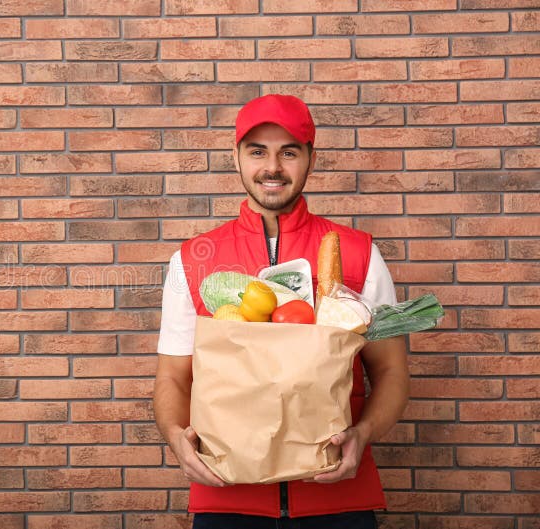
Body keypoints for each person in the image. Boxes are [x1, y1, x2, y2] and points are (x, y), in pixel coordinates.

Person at [153, 94, 410, 529]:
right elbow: (173, 376)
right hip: (226, 498)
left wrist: (362, 436)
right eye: (257, 151)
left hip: (336, 497)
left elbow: (391, 373)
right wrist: (178, 441)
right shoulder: (193, 260)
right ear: (235, 157)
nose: (272, 167)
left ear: (311, 157)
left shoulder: (359, 254)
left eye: (288, 152)